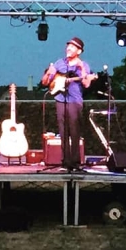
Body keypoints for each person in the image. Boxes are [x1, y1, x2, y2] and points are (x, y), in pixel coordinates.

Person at [41, 37, 94, 170]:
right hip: (60, 99)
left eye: (72, 47)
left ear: (79, 51)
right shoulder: (60, 63)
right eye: (68, 46)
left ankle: (75, 162)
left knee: (75, 131)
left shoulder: (84, 65)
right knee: (63, 131)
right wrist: (48, 73)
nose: (68, 48)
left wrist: (81, 68)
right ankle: (65, 162)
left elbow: (86, 83)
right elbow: (45, 82)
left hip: (75, 101)